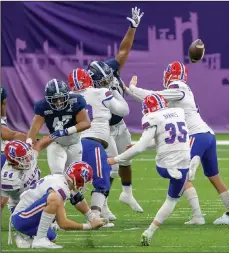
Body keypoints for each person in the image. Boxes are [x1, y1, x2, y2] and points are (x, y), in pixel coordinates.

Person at [125, 62, 229, 225]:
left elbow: (154, 96)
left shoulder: (178, 87)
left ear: (171, 74)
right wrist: (128, 91)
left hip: (196, 136)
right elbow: (151, 100)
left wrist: (132, 88)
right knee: (214, 177)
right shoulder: (176, 93)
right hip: (207, 136)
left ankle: (197, 216)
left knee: (182, 174)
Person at [108, 94, 190, 246]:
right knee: (171, 200)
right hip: (184, 163)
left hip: (164, 166)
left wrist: (116, 159)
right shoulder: (178, 112)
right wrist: (143, 145)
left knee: (167, 175)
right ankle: (150, 230)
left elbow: (140, 147)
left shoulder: (152, 117)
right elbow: (167, 137)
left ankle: (149, 231)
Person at [85, 7, 144, 216]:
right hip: (104, 129)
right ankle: (103, 205)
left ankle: (127, 193)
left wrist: (133, 27)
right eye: (105, 80)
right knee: (111, 167)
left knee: (127, 157)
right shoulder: (91, 90)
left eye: (111, 76)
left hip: (120, 125)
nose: (110, 81)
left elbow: (124, 50)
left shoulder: (111, 70)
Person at [68, 68, 128, 223]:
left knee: (68, 182)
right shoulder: (101, 92)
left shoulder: (68, 98)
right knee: (101, 181)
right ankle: (94, 216)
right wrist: (114, 91)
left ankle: (102, 209)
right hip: (92, 141)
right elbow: (123, 110)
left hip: (72, 143)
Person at [11, 161, 105, 249]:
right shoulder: (60, 189)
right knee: (54, 198)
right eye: (85, 182)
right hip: (21, 218)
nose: (85, 185)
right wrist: (89, 226)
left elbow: (78, 199)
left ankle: (26, 242)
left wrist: (92, 218)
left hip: (25, 217)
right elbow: (63, 223)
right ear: (78, 180)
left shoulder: (62, 179)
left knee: (52, 239)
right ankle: (40, 239)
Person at [27, 79, 91, 174]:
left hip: (74, 142)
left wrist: (64, 132)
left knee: (74, 175)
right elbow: (33, 130)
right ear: (48, 99)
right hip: (56, 142)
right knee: (57, 174)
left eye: (61, 98)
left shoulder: (76, 101)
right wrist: (28, 144)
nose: (58, 102)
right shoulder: (43, 106)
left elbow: (86, 123)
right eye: (54, 99)